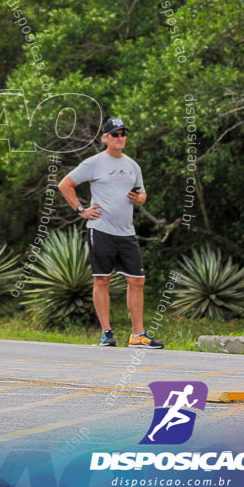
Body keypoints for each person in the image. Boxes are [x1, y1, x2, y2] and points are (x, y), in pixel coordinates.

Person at [58, 117, 163, 349]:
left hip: (127, 233)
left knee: (137, 281)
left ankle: (138, 335)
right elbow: (65, 184)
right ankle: (106, 333)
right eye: (114, 134)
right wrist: (81, 210)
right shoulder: (95, 163)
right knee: (102, 279)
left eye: (123, 133)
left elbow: (143, 195)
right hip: (101, 230)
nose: (120, 138)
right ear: (105, 138)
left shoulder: (133, 165)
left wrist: (139, 198)